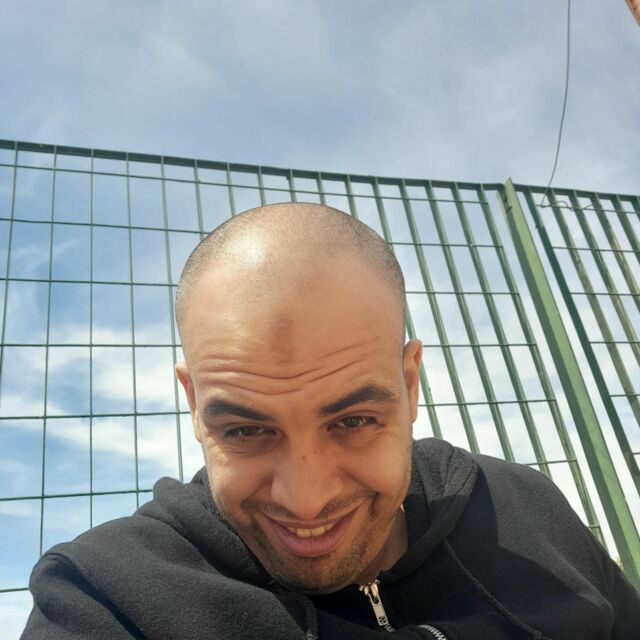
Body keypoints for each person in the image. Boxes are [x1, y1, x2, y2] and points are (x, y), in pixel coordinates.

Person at [22, 203, 640, 639]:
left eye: (354, 420)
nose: (306, 500)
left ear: (409, 383)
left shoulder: (524, 511)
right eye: (245, 431)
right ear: (193, 402)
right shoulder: (105, 598)